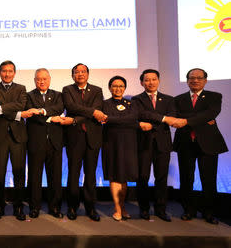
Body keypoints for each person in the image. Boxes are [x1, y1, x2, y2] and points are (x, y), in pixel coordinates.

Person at [172, 68, 228, 225]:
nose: (195, 80)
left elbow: (211, 113)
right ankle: (188, 210)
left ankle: (209, 213)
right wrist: (201, 119)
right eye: (191, 78)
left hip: (208, 144)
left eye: (199, 78)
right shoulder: (178, 99)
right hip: (185, 143)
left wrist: (187, 121)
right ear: (187, 80)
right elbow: (177, 116)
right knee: (186, 179)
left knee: (208, 180)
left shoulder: (214, 97)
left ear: (205, 80)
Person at [62, 63, 106, 221]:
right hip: (74, 137)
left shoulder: (97, 90)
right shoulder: (67, 89)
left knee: (91, 174)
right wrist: (93, 112)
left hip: (92, 137)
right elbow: (71, 106)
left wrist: (74, 119)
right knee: (73, 173)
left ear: (88, 74)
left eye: (83, 71)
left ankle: (90, 207)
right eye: (76, 72)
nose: (80, 74)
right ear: (72, 75)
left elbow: (96, 108)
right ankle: (72, 206)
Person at [132, 69, 177, 222]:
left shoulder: (169, 99)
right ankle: (143, 209)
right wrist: (163, 119)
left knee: (161, 178)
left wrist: (160, 121)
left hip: (162, 144)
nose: (150, 82)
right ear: (141, 82)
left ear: (158, 81)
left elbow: (172, 118)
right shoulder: (136, 100)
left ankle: (161, 209)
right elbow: (140, 115)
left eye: (153, 79)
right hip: (143, 143)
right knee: (143, 177)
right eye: (147, 80)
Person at [0, 60, 27, 221]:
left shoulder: (21, 88)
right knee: (0, 173)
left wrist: (1, 109)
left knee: (19, 173)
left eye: (10, 71)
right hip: (0, 136)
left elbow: (22, 104)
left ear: (14, 73)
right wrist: (18, 114)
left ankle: (19, 206)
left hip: (18, 136)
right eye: (4, 71)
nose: (7, 74)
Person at [23, 68, 64, 219]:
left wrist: (41, 112)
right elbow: (30, 114)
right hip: (36, 142)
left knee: (55, 176)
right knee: (34, 177)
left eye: (44, 79)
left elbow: (59, 108)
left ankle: (55, 207)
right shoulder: (28, 96)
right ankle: (34, 207)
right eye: (38, 79)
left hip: (55, 142)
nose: (41, 81)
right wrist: (51, 117)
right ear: (35, 80)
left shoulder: (58, 95)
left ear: (49, 79)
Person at [101, 75, 141, 221]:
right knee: (114, 175)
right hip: (111, 142)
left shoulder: (132, 104)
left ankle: (122, 206)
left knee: (125, 177)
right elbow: (126, 119)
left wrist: (110, 119)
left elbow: (132, 118)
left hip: (129, 142)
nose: (118, 88)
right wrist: (124, 120)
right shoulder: (104, 104)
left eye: (121, 86)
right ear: (110, 88)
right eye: (115, 86)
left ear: (125, 88)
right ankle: (117, 209)